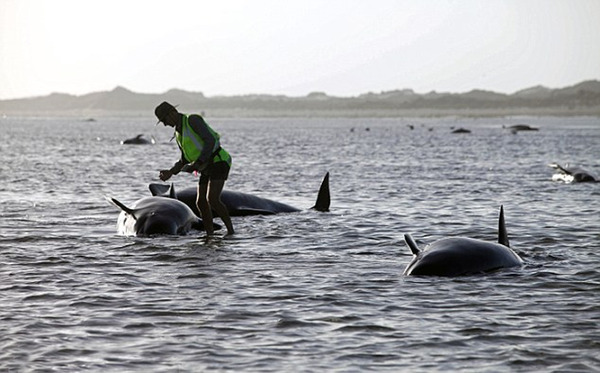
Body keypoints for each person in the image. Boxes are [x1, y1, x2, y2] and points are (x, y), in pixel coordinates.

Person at [155, 101, 234, 236]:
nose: (165, 124)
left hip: (218, 161)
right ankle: (209, 235)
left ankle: (231, 232)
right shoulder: (178, 133)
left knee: (213, 199)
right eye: (162, 122)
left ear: (173, 112)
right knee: (200, 202)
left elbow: (211, 140)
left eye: (164, 120)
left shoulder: (192, 120)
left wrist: (198, 163)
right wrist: (171, 172)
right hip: (205, 166)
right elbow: (184, 159)